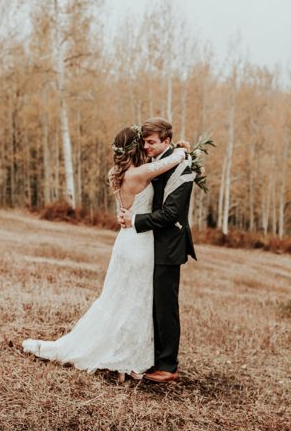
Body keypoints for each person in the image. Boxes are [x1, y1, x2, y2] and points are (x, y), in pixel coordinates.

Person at [22, 125, 188, 382]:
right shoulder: (141, 173)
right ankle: (127, 358)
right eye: (142, 143)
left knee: (120, 301)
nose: (146, 147)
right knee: (135, 303)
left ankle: (128, 357)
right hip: (139, 245)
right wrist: (184, 149)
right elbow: (176, 158)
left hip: (126, 241)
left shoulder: (119, 172)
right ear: (135, 148)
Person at [118, 117, 197, 383]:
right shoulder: (156, 162)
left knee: (165, 306)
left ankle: (168, 366)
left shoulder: (183, 166)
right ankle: (150, 357)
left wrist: (135, 220)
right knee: (150, 303)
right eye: (145, 142)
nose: (147, 146)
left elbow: (172, 212)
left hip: (168, 245)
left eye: (152, 142)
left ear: (166, 141)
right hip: (149, 243)